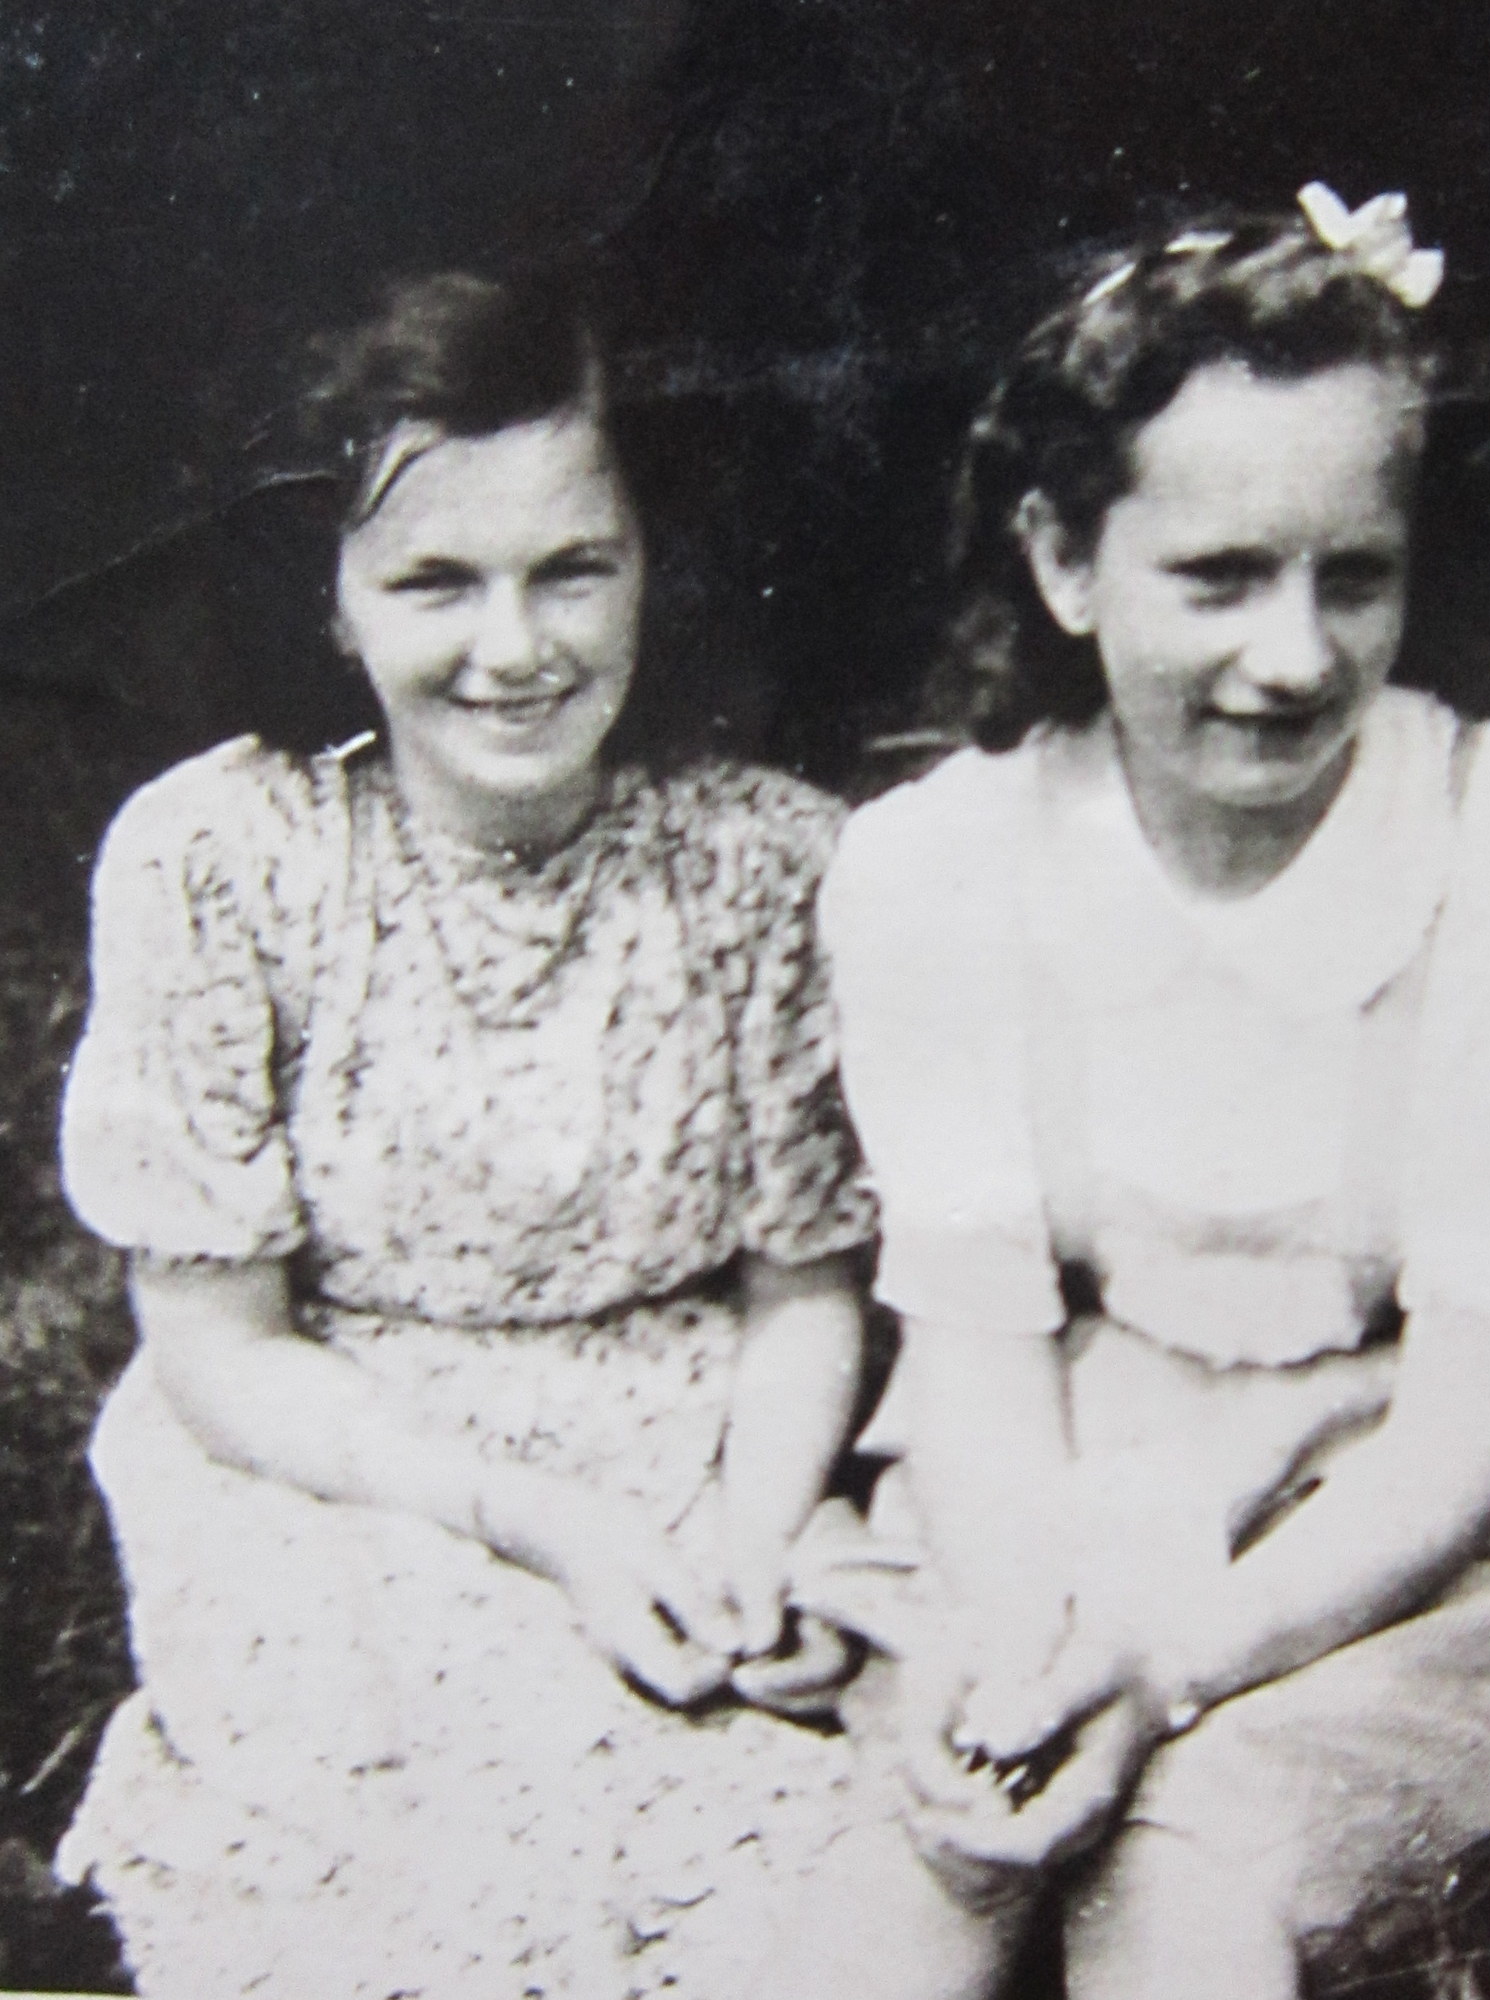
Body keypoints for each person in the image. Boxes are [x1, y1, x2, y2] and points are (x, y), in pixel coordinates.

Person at [768, 187, 1490, 1999]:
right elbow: (979, 1355)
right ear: (1063, 560)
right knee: (947, 1836)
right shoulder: (941, 874)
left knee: (1189, 1866)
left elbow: (1471, 1413)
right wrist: (1037, 1642)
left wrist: (1172, 1662)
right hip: (1072, 1450)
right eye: (1218, 577)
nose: (1295, 656)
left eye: (1354, 577)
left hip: (1416, 1497)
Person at [56, 270, 878, 1999]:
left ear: (656, 564)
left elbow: (806, 1286)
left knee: (783, 1861)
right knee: (430, 1854)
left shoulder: (768, 860)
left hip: (690, 1438)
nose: (515, 650)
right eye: (436, 582)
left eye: (573, 568)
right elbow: (218, 1344)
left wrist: (752, 1539)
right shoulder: (223, 856)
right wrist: (531, 1521)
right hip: (337, 1455)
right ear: (331, 599)